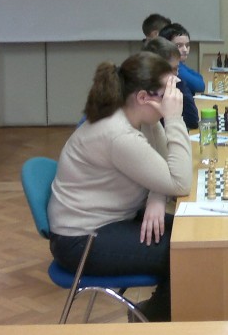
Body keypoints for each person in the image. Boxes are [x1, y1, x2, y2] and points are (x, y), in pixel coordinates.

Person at [47, 52, 192, 322]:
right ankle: (154, 319)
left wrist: (157, 196)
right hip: (81, 240)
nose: (174, 99)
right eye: (168, 94)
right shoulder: (118, 134)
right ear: (143, 97)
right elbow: (180, 182)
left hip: (111, 221)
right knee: (187, 251)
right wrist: (174, 118)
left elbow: (166, 171)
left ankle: (156, 314)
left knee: (193, 233)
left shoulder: (137, 119)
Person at [142, 37, 198, 130]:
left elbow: (193, 121)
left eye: (177, 68)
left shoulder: (172, 86)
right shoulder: (148, 97)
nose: (176, 73)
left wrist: (179, 84)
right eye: (173, 69)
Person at [158, 22, 205, 94]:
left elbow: (199, 77)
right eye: (178, 46)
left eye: (187, 45)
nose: (185, 50)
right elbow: (200, 86)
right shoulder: (173, 68)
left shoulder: (180, 63)